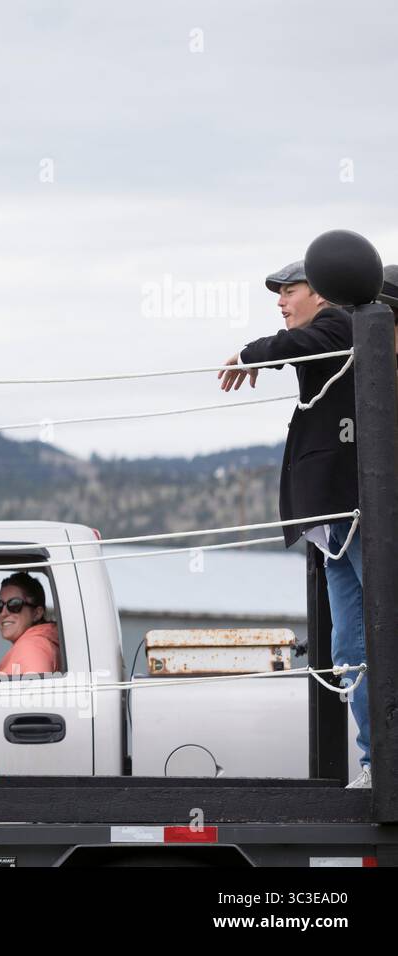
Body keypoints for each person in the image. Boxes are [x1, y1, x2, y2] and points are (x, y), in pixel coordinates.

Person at [218, 260, 369, 789]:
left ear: (322, 291)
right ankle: (376, 762)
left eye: (290, 291)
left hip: (355, 514)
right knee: (351, 648)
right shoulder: (327, 331)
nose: (281, 302)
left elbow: (300, 344)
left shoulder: (341, 324)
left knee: (373, 639)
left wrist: (249, 352)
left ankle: (382, 760)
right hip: (335, 521)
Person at [0, 573, 59, 676]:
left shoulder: (32, 647)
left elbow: (36, 690)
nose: (3, 613)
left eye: (14, 604)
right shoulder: (43, 643)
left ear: (37, 613)